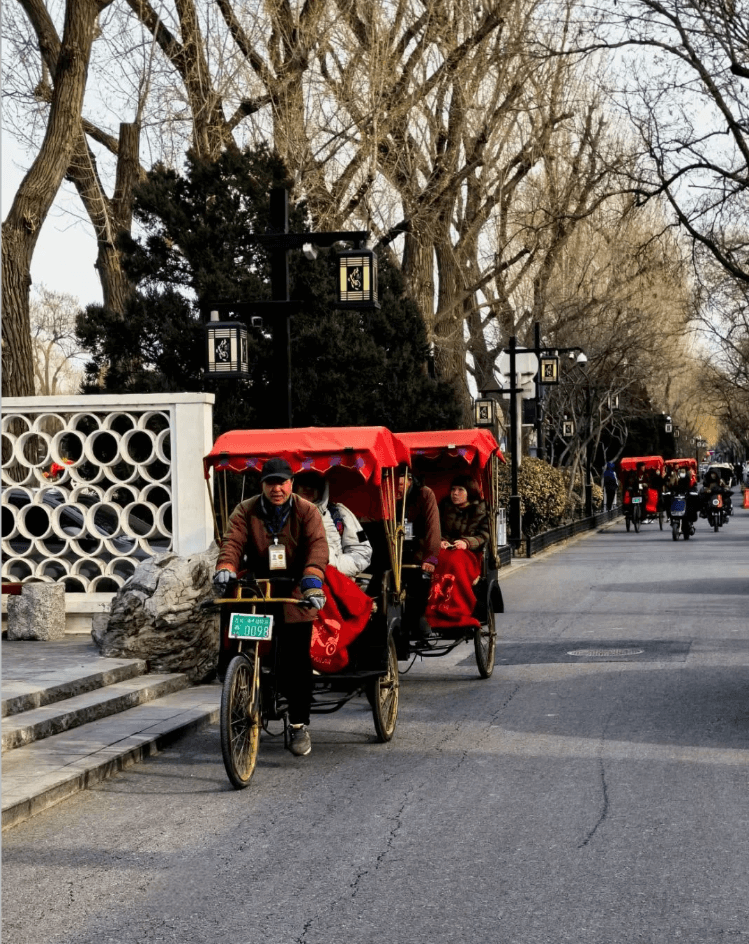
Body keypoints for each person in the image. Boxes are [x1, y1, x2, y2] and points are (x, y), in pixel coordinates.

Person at [213, 457, 328, 758]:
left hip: (296, 588)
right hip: (258, 588)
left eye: (282, 482)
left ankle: (299, 724)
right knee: (238, 640)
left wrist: (311, 581)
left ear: (291, 483)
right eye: (270, 483)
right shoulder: (245, 509)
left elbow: (317, 547)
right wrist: (226, 567)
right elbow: (232, 542)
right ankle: (237, 682)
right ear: (262, 485)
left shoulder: (307, 511)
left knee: (296, 660)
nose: (277, 489)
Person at [294, 471, 373, 581]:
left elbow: (363, 552)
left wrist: (332, 565)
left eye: (313, 483)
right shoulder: (282, 516)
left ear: (322, 487)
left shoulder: (339, 513)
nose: (308, 488)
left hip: (335, 582)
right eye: (303, 483)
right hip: (294, 582)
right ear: (294, 485)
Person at [397, 469, 440, 640]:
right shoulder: (389, 496)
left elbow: (433, 527)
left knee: (419, 583)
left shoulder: (424, 494)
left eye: (400, 485)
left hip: (419, 549)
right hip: (396, 550)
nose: (397, 489)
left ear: (409, 481)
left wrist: (430, 557)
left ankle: (419, 620)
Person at [438, 475, 490, 552]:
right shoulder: (444, 507)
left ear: (470, 491)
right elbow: (436, 530)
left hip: (470, 551)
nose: (455, 493)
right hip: (445, 548)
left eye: (460, 490)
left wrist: (466, 543)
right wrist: (441, 541)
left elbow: (484, 536)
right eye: (453, 489)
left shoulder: (481, 510)